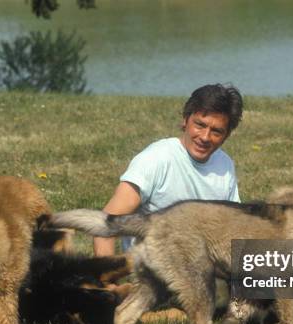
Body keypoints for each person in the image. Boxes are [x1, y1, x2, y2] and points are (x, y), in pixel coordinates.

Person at [94, 83, 244, 256]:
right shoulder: (155, 159)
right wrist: (106, 280)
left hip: (207, 268)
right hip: (156, 271)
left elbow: (234, 230)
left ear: (226, 136)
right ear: (186, 120)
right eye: (200, 125)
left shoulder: (225, 165)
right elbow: (106, 224)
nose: (205, 137)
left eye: (216, 131)